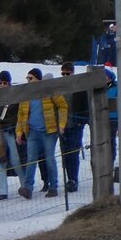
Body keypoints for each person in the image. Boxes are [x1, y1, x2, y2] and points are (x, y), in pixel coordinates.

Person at [16, 68, 68, 199]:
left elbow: (63, 106)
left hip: (49, 131)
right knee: (31, 159)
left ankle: (53, 187)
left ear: (38, 79)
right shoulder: (25, 94)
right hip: (32, 131)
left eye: (30, 78)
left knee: (50, 159)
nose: (28, 80)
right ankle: (28, 188)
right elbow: (21, 115)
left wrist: (61, 124)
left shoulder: (49, 90)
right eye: (27, 78)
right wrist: (19, 132)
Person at [59, 62, 90, 192]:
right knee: (65, 153)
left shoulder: (80, 87)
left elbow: (86, 106)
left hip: (75, 125)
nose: (65, 76)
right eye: (63, 74)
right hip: (62, 125)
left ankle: (73, 179)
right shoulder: (59, 87)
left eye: (67, 73)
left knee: (73, 152)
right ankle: (69, 178)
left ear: (72, 72)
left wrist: (80, 122)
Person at [0, 71, 22, 201]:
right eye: (0, 82)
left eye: (5, 83)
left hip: (11, 129)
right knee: (1, 159)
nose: (2, 85)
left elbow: (17, 113)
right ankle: (2, 191)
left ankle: (24, 184)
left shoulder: (15, 95)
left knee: (16, 159)